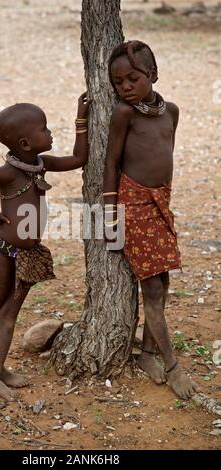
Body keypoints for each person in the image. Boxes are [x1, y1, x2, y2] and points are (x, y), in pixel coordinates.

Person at [0, 93, 90, 401]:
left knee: (9, 315)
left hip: (27, 255)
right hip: (1, 249)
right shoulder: (8, 172)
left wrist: (80, 118)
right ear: (25, 143)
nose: (50, 131)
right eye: (44, 128)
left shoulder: (41, 165)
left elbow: (79, 158)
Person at [103, 41, 199, 399]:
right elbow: (111, 163)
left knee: (163, 282)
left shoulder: (170, 111)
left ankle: (146, 354)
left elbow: (164, 154)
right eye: (118, 82)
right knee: (153, 290)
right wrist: (110, 212)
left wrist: (164, 198)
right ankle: (172, 366)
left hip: (161, 203)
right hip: (134, 203)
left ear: (152, 75)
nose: (125, 87)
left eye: (133, 78)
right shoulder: (123, 114)